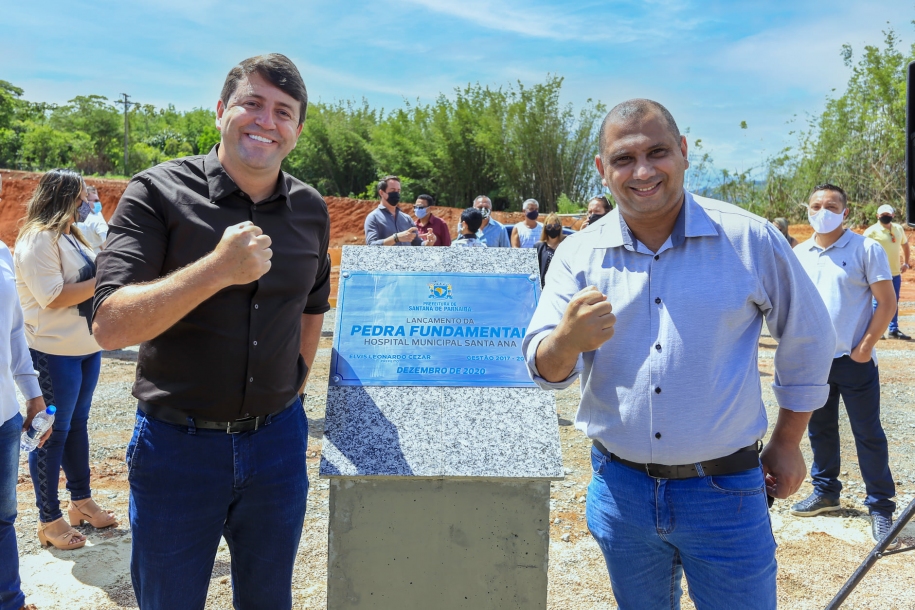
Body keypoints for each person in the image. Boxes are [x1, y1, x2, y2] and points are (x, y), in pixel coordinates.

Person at [522, 99, 836, 609]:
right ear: (603, 170)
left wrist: (788, 439)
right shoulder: (579, 254)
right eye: (624, 159)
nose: (643, 171)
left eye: (658, 152)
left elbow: (808, 337)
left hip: (727, 494)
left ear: (684, 152)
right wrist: (567, 341)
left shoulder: (749, 238)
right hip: (619, 493)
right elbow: (543, 369)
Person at [91, 54, 330, 609]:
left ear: (296, 130)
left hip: (277, 446)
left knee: (269, 599)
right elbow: (108, 324)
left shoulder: (310, 209)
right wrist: (216, 271)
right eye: (252, 103)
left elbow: (312, 305)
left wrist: (294, 384)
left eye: (283, 111)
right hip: (177, 449)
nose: (265, 121)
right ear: (222, 110)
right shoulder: (156, 193)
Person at [792, 184, 899, 549]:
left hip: (854, 361)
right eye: (816, 205)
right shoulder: (800, 253)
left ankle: (881, 508)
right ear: (807, 210)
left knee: (867, 433)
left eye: (831, 205)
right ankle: (826, 494)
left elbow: (887, 302)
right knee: (820, 430)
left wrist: (865, 348)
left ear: (845, 213)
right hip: (813, 362)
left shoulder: (865, 248)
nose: (823, 211)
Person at [13, 169, 114, 553]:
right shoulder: (38, 238)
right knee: (50, 434)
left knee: (77, 427)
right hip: (53, 352)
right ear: (66, 196)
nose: (87, 200)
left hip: (85, 348)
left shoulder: (71, 234)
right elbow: (52, 296)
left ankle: (80, 502)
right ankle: (48, 520)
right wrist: (105, 276)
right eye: (81, 194)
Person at [0, 172, 45, 610]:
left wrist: (31, 393)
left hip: (3, 417)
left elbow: (13, 333)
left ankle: (9, 600)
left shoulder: (1, 253)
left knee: (3, 518)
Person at [863, 204, 910, 340]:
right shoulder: (871, 231)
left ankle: (893, 330)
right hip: (878, 273)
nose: (886, 217)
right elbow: (862, 250)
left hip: (895, 272)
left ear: (893, 216)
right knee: (877, 302)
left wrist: (906, 262)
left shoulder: (898, 229)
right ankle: (874, 330)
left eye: (888, 215)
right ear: (877, 216)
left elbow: (905, 245)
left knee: (893, 300)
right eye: (883, 215)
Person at [364, 176, 435, 246]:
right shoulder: (373, 218)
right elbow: (371, 245)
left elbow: (417, 243)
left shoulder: (407, 218)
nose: (396, 193)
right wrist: (395, 238)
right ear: (382, 193)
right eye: (392, 190)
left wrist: (428, 243)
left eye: (398, 190)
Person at [74, 186, 109, 254]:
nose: (98, 203)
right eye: (95, 201)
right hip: (94, 255)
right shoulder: (97, 218)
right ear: (86, 201)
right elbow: (106, 239)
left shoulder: (75, 216)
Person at [535, 213, 566, 287]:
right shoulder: (539, 247)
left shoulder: (566, 244)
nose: (553, 229)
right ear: (545, 228)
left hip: (562, 285)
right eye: (549, 226)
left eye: (556, 226)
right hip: (544, 287)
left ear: (560, 227)